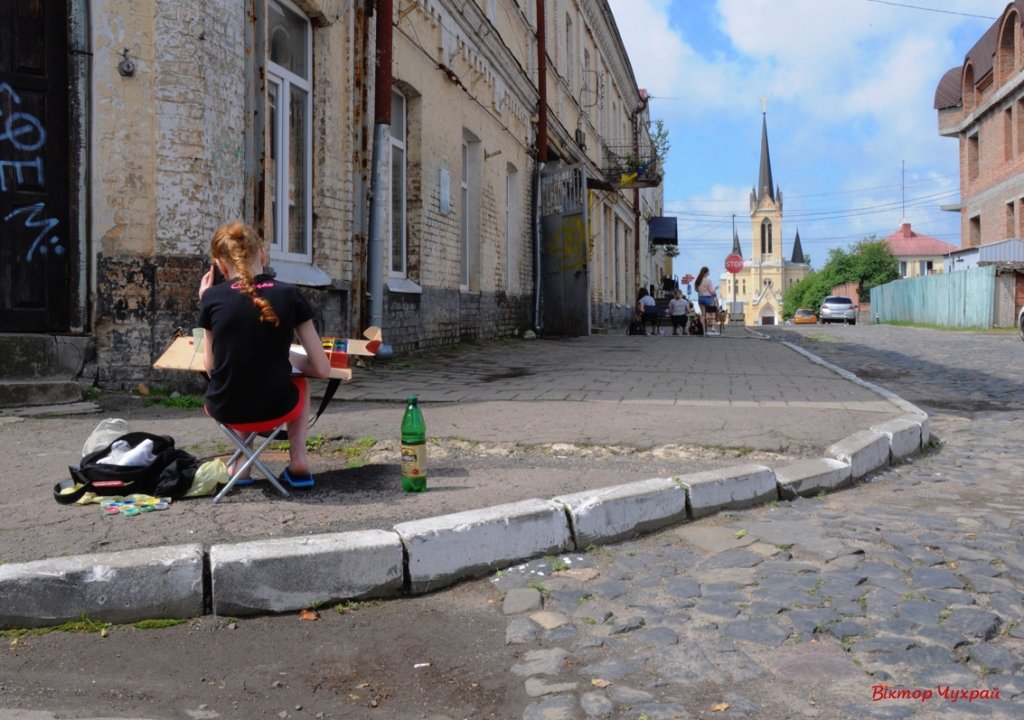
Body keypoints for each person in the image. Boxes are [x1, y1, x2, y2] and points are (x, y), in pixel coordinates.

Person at [198, 221, 330, 489]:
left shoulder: (211, 298)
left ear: (220, 265)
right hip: (278, 407)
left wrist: (205, 300)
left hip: (226, 408)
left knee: (238, 375)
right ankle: (298, 460)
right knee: (300, 382)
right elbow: (322, 368)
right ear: (262, 253)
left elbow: (211, 366)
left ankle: (242, 466)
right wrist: (290, 358)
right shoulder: (289, 294)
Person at [694, 266, 719, 336]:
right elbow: (711, 291)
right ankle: (713, 327)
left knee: (703, 314)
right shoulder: (708, 280)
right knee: (712, 313)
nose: (709, 273)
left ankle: (702, 329)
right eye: (708, 272)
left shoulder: (698, 280)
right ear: (705, 273)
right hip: (708, 298)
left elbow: (696, 290)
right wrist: (715, 291)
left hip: (700, 298)